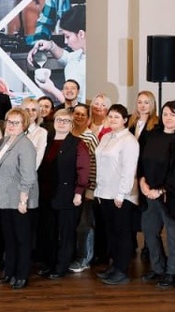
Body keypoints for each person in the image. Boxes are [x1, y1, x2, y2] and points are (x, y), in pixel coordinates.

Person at [136, 101, 175, 288]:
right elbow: (141, 161)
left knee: (173, 234)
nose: (168, 118)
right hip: (149, 192)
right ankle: (158, 268)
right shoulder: (152, 135)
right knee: (149, 231)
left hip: (172, 194)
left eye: (173, 114)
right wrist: (142, 182)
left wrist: (161, 190)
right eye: (165, 114)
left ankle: (174, 271)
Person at [37, 107, 90, 279]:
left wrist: (79, 192)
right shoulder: (47, 141)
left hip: (68, 195)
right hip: (47, 195)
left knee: (66, 233)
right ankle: (50, 263)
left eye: (66, 121)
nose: (61, 123)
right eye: (59, 120)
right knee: (49, 231)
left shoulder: (78, 143)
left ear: (71, 124)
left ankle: (61, 267)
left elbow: (83, 170)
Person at [94, 104, 139, 285]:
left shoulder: (129, 141)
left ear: (125, 120)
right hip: (104, 192)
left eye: (117, 117)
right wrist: (98, 190)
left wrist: (121, 193)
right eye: (110, 116)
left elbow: (129, 170)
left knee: (122, 233)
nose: (112, 119)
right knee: (111, 232)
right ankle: (114, 266)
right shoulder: (106, 137)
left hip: (121, 195)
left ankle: (122, 270)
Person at [0, 108, 39, 289]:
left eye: (16, 123)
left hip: (20, 200)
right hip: (5, 199)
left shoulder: (25, 145)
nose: (11, 125)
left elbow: (28, 176)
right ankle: (9, 272)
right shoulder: (4, 141)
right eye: (9, 121)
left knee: (22, 240)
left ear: (24, 125)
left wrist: (23, 200)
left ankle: (22, 275)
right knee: (10, 239)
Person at [28, 5, 86, 103]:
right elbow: (67, 58)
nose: (65, 42)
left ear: (81, 34)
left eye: (67, 36)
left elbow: (82, 108)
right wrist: (50, 46)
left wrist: (52, 90)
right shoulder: (79, 53)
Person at [68, 103, 101, 274]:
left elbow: (94, 164)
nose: (79, 117)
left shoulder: (90, 137)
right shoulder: (67, 134)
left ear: (88, 118)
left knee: (84, 225)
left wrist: (90, 189)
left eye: (83, 114)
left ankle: (84, 259)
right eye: (76, 113)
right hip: (69, 189)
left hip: (86, 189)